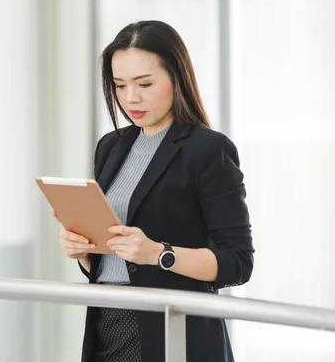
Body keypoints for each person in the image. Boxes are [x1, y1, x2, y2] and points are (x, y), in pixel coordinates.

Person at [55, 20, 254, 362]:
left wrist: (158, 253)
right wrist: (86, 252)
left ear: (177, 78)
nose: (130, 98)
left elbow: (238, 262)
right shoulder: (111, 146)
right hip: (107, 324)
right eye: (119, 85)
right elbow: (115, 261)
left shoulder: (208, 150)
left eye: (144, 83)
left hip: (173, 331)